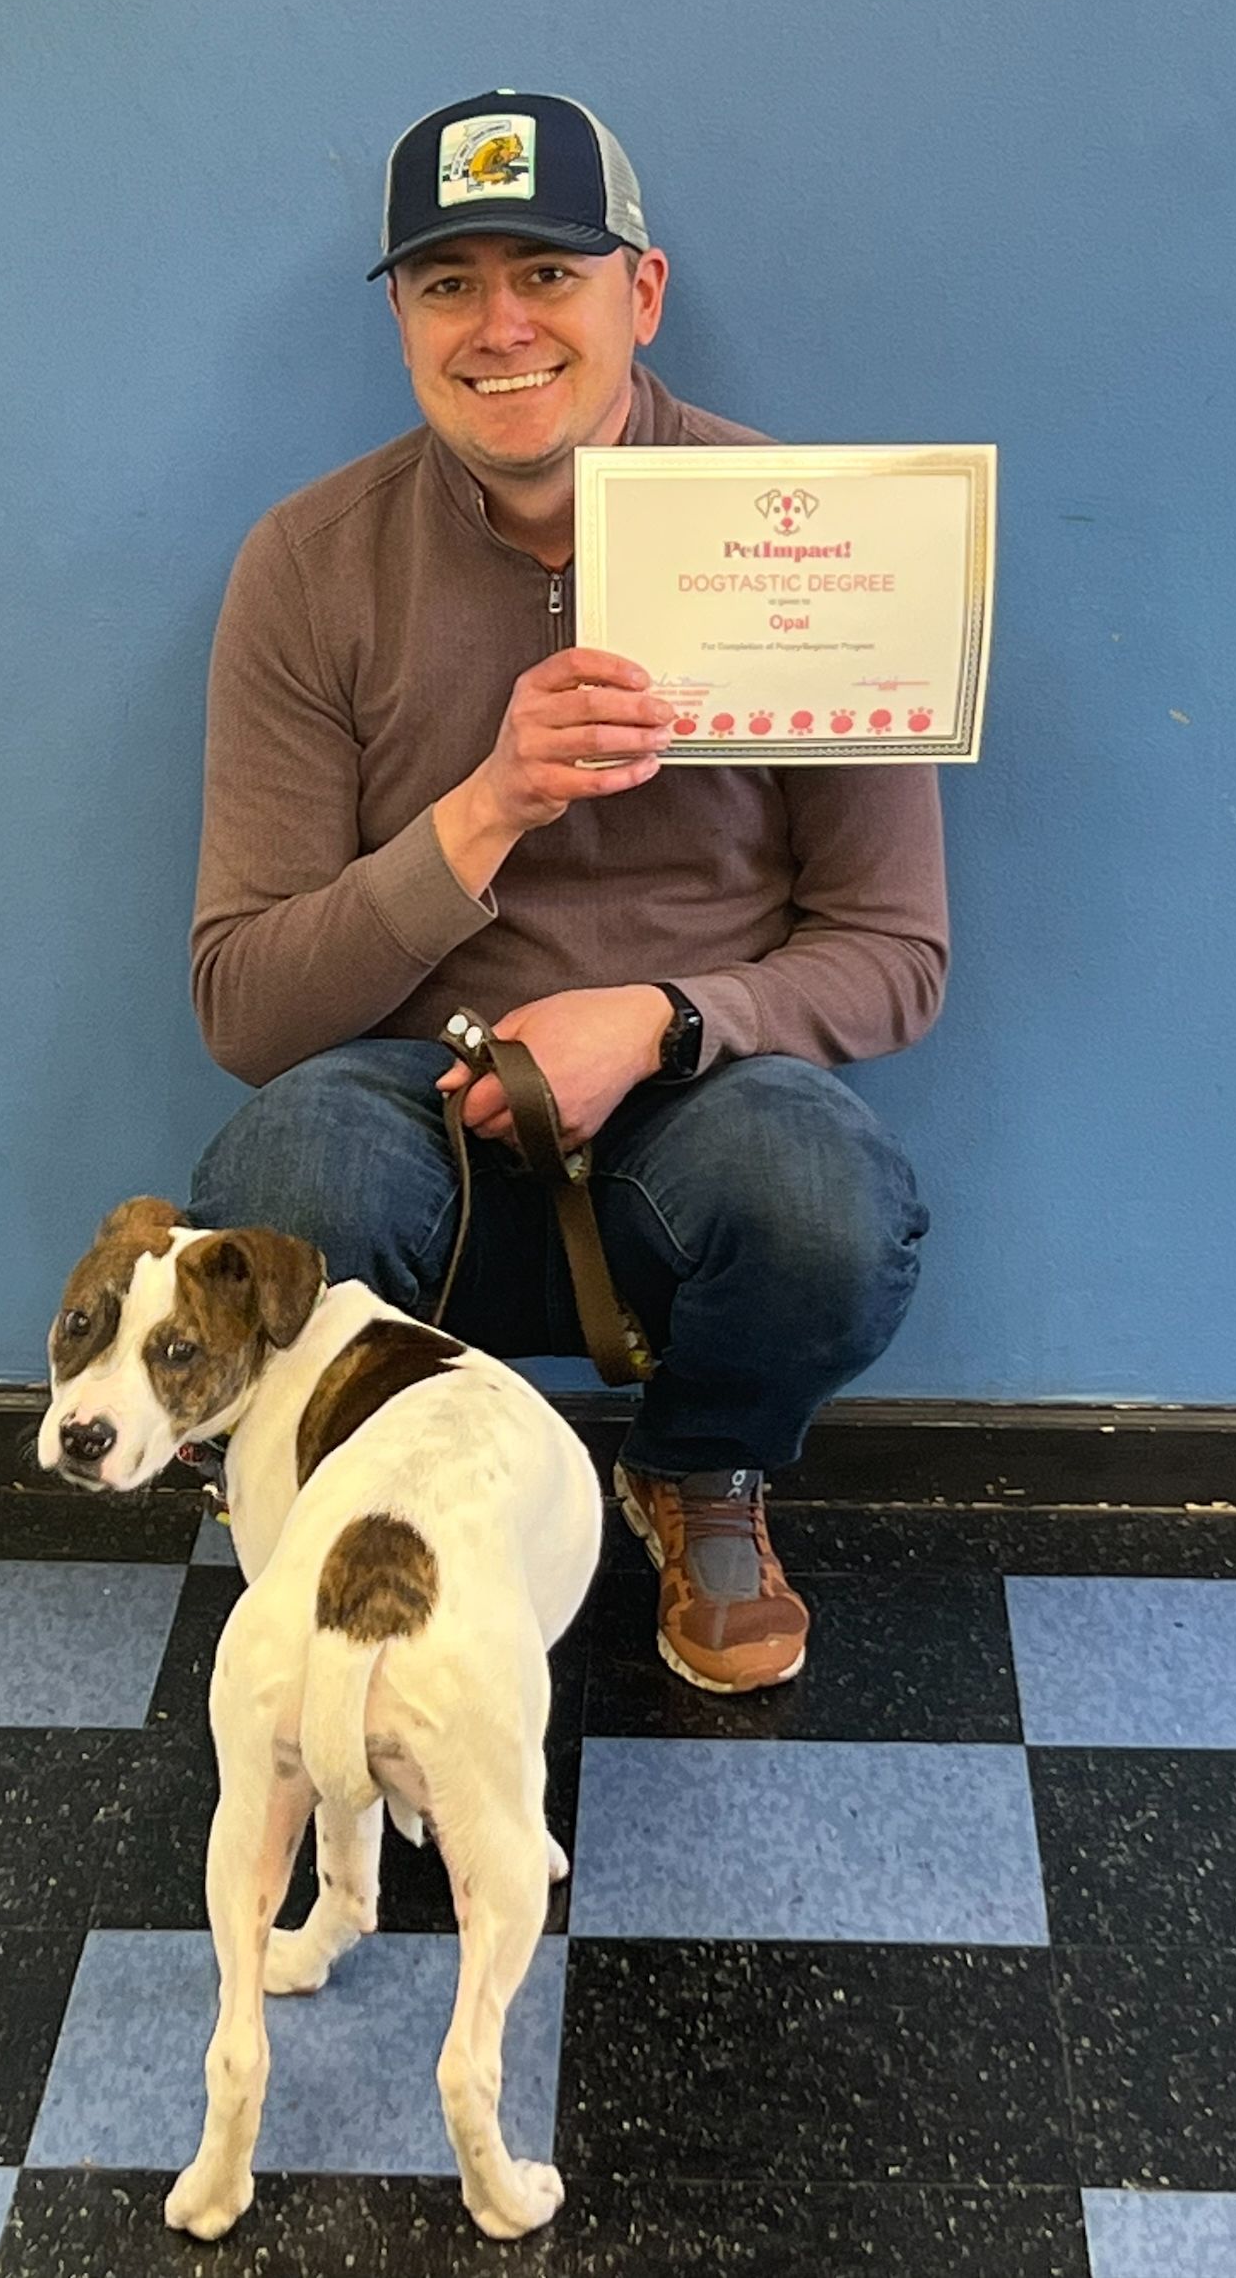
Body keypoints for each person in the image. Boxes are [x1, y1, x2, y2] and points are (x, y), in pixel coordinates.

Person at [188, 90, 946, 1694]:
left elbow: (894, 957)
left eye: (548, 271)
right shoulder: (308, 562)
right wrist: (488, 806)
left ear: (642, 294)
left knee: (832, 1209)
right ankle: (383, 1517)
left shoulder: (822, 542)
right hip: (414, 1101)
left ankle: (698, 1467)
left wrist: (665, 1022)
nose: (501, 325)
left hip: (703, 1108)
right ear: (401, 317)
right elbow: (246, 1008)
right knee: (279, 1169)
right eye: (448, 283)